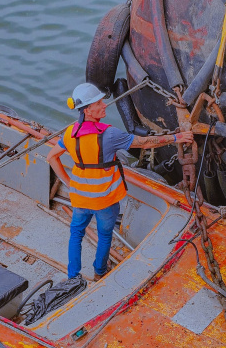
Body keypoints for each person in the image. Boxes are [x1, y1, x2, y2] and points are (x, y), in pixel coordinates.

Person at [47, 83, 194, 281]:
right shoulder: (109, 135)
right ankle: (100, 271)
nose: (104, 105)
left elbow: (52, 157)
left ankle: (73, 276)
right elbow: (145, 143)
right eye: (99, 103)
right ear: (88, 110)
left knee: (76, 234)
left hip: (80, 198)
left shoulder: (70, 133)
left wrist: (68, 183)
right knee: (104, 236)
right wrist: (177, 137)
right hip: (105, 200)